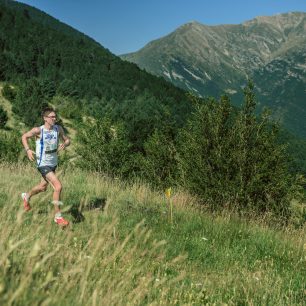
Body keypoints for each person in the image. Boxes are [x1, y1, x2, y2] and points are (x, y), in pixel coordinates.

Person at [21, 107, 70, 227]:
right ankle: (58, 217)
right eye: (52, 117)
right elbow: (24, 137)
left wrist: (65, 143)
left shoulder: (58, 129)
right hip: (42, 163)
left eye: (55, 116)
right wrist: (28, 150)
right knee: (58, 187)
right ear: (45, 118)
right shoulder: (38, 130)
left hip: (53, 163)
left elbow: (67, 140)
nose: (54, 118)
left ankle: (26, 196)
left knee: (43, 187)